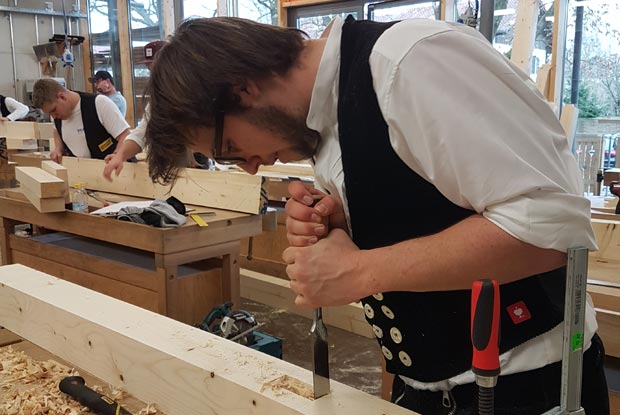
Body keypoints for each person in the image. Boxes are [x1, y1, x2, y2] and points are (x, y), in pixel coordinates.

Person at [142, 17, 609, 415]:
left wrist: (360, 270)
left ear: (243, 88)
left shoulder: (410, 64)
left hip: (526, 387)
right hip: (427, 385)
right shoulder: (325, 114)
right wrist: (344, 222)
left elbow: (551, 230)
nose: (247, 167)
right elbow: (427, 203)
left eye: (230, 148)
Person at [102, 40, 165, 181]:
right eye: (149, 69)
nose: (153, 74)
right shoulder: (158, 97)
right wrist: (120, 155)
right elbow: (142, 131)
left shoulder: (190, 90)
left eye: (156, 68)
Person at [32, 78, 130, 163]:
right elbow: (56, 130)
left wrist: (117, 155)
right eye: (50, 113)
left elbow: (125, 135)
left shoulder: (99, 104)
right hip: (83, 172)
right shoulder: (57, 115)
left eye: (54, 110)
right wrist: (58, 148)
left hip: (117, 170)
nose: (53, 116)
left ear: (62, 97)